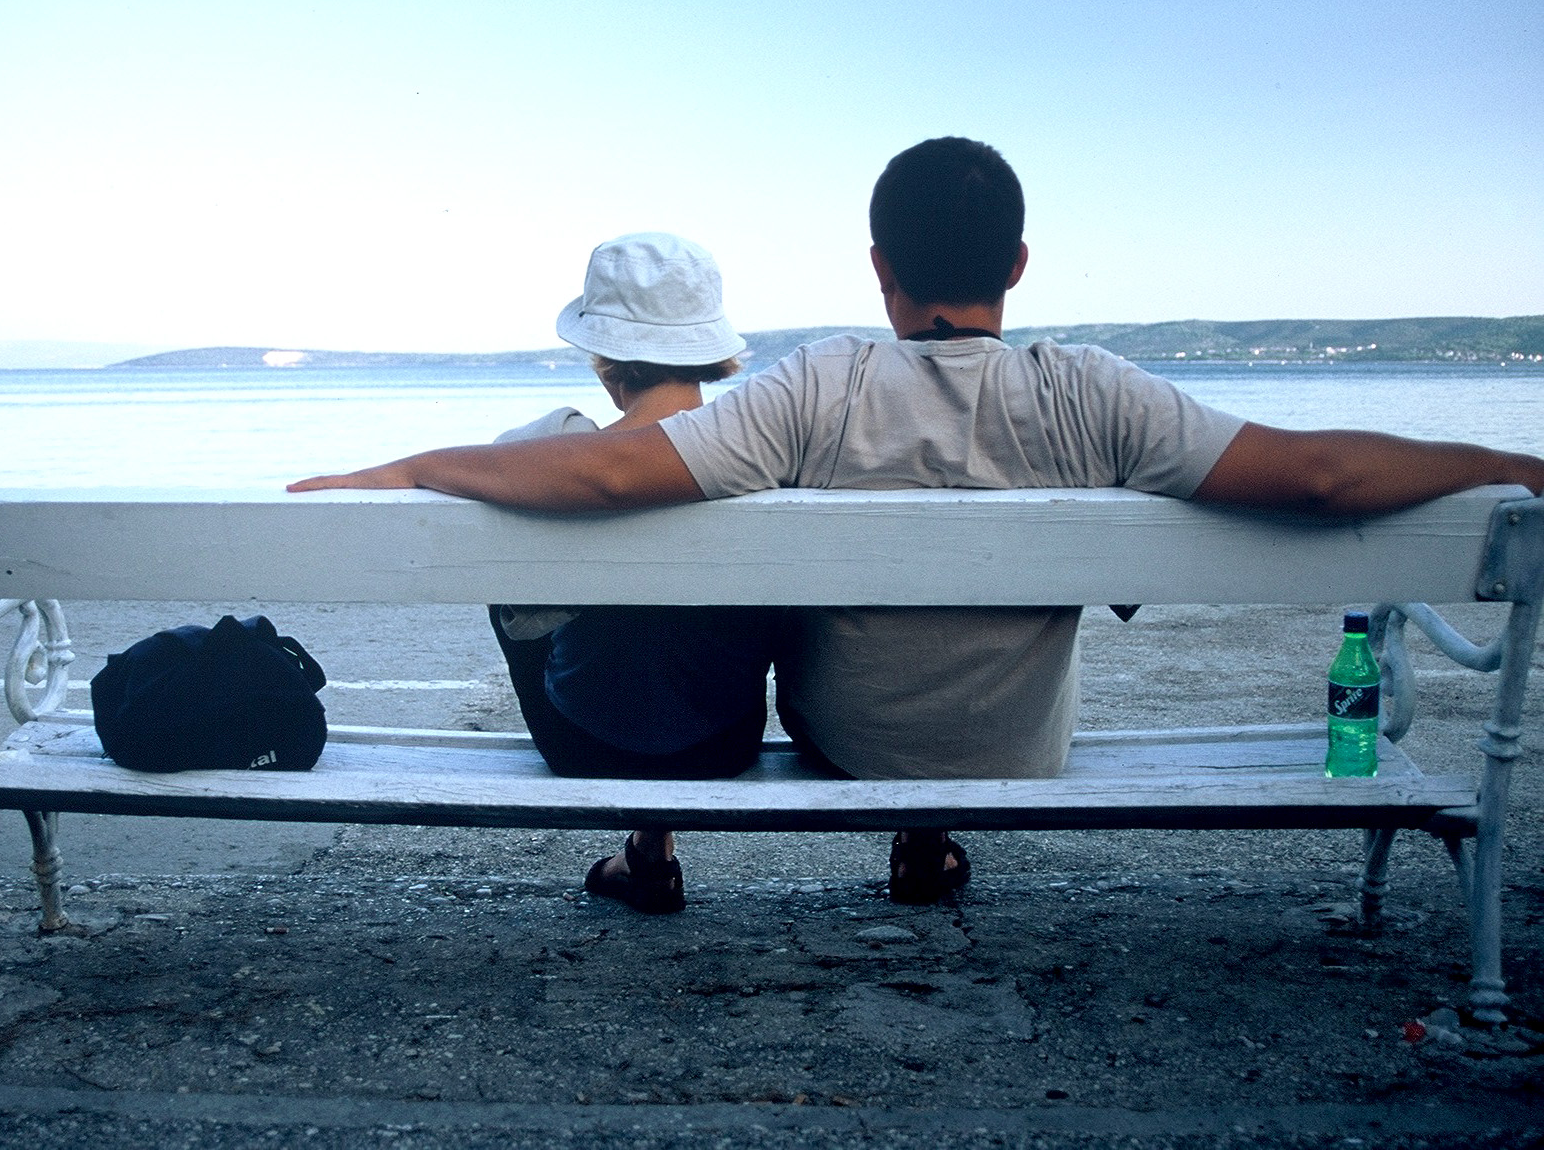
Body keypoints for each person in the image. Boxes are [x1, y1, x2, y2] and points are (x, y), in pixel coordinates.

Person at [291, 137, 1544, 907]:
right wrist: (1493, 459)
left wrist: (409, 465)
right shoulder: (1093, 389)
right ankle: (929, 846)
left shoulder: (822, 381)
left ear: (879, 265)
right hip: (1015, 756)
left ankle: (684, 835)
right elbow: (1320, 477)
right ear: (1018, 264)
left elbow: (612, 479)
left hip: (842, 741)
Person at [487, 232, 779, 913]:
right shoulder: (766, 461)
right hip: (724, 742)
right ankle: (652, 849)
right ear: (710, 353)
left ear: (606, 363)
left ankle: (648, 855)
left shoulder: (555, 450)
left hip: (581, 745)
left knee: (523, 596)